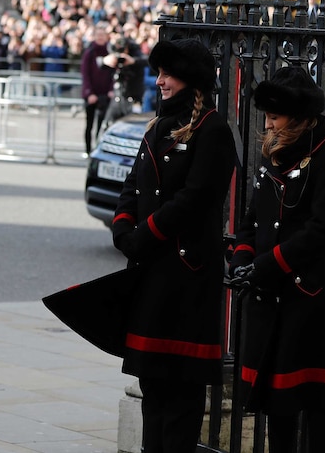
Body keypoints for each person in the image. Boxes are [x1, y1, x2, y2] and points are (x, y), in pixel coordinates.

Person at [111, 38, 235, 453]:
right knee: (153, 384)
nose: (159, 81)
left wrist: (145, 236)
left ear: (191, 78)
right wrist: (123, 229)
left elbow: (196, 197)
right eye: (159, 72)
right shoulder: (159, 124)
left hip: (186, 277)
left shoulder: (213, 130)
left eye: (167, 73)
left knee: (181, 388)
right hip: (151, 274)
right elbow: (133, 185)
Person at [228, 66, 325, 453]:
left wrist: (267, 264)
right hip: (268, 298)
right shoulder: (275, 152)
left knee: (320, 411)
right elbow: (252, 218)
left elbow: (322, 228)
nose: (268, 123)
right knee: (277, 409)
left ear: (299, 115)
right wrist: (242, 258)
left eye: (275, 116)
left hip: (309, 301)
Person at [80, 23, 115, 155]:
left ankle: (99, 149)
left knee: (103, 124)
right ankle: (88, 150)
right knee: (89, 124)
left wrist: (111, 90)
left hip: (105, 95)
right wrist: (89, 93)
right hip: (91, 95)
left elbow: (113, 74)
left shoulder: (110, 53)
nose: (100, 37)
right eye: (98, 35)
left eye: (102, 35)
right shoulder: (89, 53)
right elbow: (85, 74)